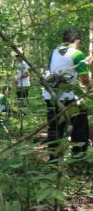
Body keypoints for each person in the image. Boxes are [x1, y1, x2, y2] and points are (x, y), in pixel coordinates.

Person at [44, 27, 92, 160]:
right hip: (67, 97)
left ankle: (54, 160)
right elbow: (85, 80)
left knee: (55, 128)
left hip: (50, 95)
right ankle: (79, 156)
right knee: (80, 125)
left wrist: (84, 63)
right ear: (77, 40)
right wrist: (90, 86)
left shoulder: (54, 51)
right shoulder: (77, 54)